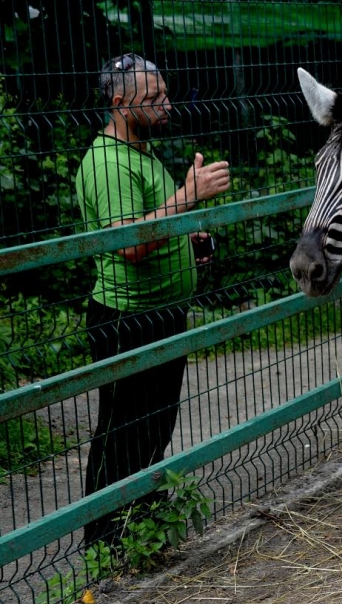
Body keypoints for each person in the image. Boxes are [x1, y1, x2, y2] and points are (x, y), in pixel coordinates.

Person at [74, 52, 230, 546]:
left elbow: (155, 225)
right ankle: (104, 541)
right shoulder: (107, 163)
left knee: (151, 429)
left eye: (165, 93)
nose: (167, 104)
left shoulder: (139, 151)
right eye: (153, 97)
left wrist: (188, 240)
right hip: (126, 321)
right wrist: (188, 196)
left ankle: (142, 524)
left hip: (159, 316)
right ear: (120, 103)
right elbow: (130, 244)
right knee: (122, 433)